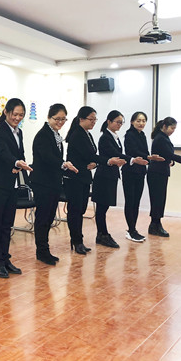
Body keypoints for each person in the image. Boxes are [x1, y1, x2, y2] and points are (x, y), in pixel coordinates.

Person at [63, 106, 125, 255]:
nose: (94, 122)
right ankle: (77, 241)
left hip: (84, 177)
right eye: (91, 119)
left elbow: (91, 157)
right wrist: (108, 161)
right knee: (75, 211)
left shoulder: (87, 134)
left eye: (95, 119)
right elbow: (89, 155)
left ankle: (79, 240)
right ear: (81, 119)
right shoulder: (77, 134)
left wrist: (95, 164)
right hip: (74, 178)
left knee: (81, 210)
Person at [0, 98, 32, 278]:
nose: (17, 118)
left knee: (7, 224)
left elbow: (21, 154)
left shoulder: (19, 132)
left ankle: (5, 258)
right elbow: (3, 152)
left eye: (21, 115)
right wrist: (16, 162)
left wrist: (20, 165)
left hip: (12, 183)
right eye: (15, 114)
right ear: (6, 112)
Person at [29, 103, 78, 265]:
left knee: (49, 217)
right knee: (43, 217)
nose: (60, 122)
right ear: (49, 117)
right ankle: (42, 251)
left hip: (54, 182)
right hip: (42, 183)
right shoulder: (43, 135)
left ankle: (45, 250)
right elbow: (47, 158)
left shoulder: (55, 135)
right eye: (57, 119)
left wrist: (63, 166)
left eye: (63, 119)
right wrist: (63, 164)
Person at [92, 110, 147, 248]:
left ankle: (103, 234)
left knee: (104, 207)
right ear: (109, 121)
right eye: (117, 122)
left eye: (121, 122)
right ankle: (102, 234)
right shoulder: (105, 137)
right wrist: (133, 159)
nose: (119, 125)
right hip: (103, 175)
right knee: (101, 208)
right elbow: (115, 154)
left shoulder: (114, 136)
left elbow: (118, 154)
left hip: (111, 175)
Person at [147, 117, 181, 237]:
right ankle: (155, 225)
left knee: (160, 199)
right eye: (172, 128)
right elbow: (170, 155)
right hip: (156, 173)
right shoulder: (161, 138)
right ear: (164, 126)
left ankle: (156, 224)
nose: (173, 131)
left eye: (174, 129)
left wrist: (171, 162)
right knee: (157, 199)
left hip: (160, 172)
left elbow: (167, 156)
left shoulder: (163, 137)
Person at [122, 112, 164, 242]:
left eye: (144, 121)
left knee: (136, 202)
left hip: (140, 171)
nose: (141, 123)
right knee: (130, 201)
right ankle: (131, 230)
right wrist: (149, 157)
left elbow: (145, 152)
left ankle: (133, 229)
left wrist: (151, 158)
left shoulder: (142, 135)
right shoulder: (129, 135)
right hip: (130, 171)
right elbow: (133, 152)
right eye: (138, 120)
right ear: (132, 122)